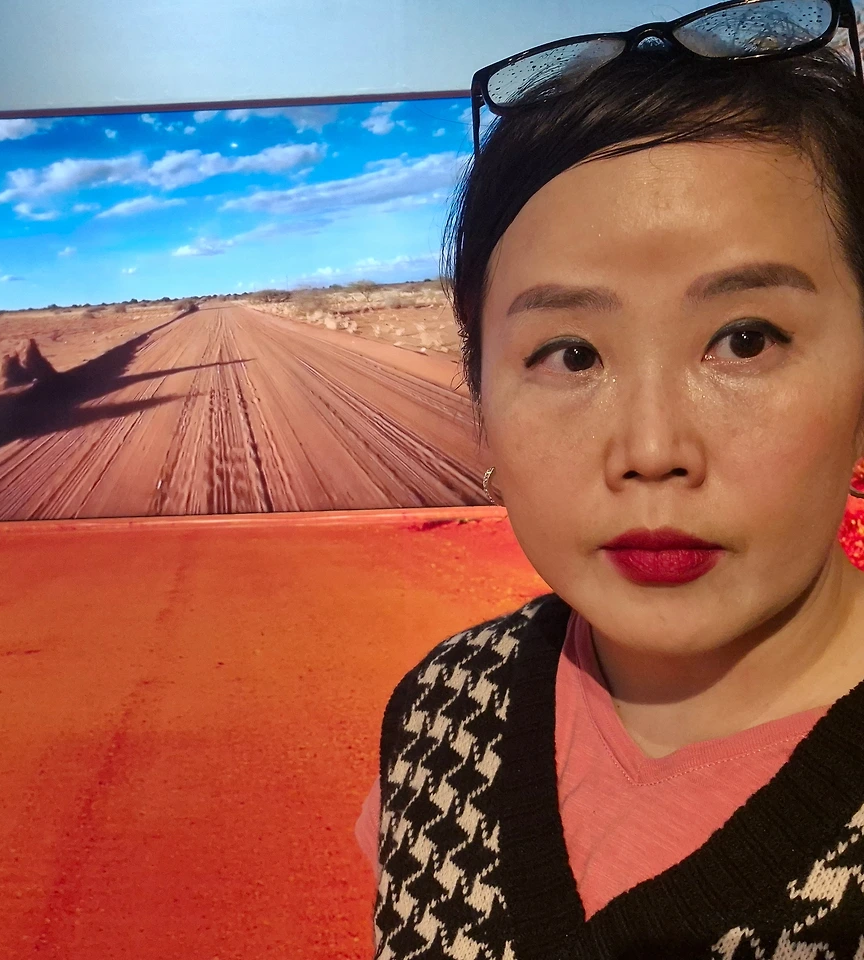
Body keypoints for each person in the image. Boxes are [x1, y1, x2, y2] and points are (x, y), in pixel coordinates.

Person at [364, 1, 864, 956]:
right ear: (481, 396)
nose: (652, 447)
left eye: (745, 340)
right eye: (571, 354)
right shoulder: (443, 709)